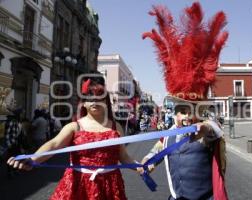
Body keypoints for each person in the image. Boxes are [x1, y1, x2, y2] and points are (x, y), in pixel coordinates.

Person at [141, 2, 228, 199]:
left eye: (192, 111)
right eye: (183, 111)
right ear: (175, 113)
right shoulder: (169, 134)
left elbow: (214, 129)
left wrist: (203, 128)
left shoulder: (207, 131)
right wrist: (146, 163)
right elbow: (158, 151)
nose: (187, 116)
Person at [7, 76, 141, 200]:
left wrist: (140, 167)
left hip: (109, 185)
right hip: (78, 184)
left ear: (106, 102)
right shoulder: (74, 126)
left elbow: (123, 156)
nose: (94, 101)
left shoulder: (116, 126)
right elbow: (54, 144)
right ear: (83, 103)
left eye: (99, 97)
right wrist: (32, 159)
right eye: (89, 98)